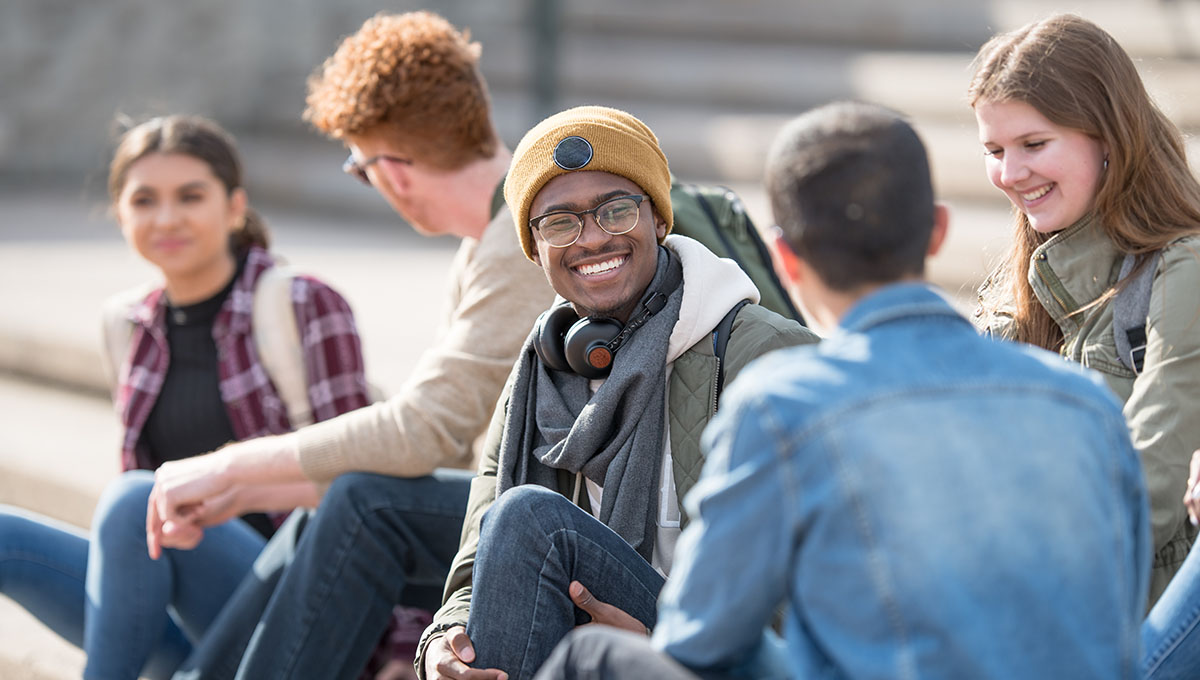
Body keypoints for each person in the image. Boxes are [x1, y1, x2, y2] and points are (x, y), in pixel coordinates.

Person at [534, 101, 1150, 679]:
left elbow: (702, 638)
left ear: (786, 260)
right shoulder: (1087, 403)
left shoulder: (784, 406)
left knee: (591, 653)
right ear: (936, 232)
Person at [146, 12, 556, 679]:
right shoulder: (493, 236)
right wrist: (260, 487)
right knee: (335, 510)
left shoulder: (517, 238)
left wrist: (229, 468)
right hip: (531, 507)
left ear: (391, 170)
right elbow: (449, 447)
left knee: (364, 503)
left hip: (570, 522)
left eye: (361, 167)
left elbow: (423, 432)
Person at [414, 105, 818, 680]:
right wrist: (442, 644)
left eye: (617, 210)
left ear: (658, 220)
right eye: (559, 223)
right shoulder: (538, 372)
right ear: (534, 249)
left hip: (727, 653)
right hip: (588, 649)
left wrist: (668, 641)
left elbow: (833, 576)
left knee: (532, 517)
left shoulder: (767, 354)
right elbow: (478, 560)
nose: (593, 238)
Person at [0, 114, 371, 679]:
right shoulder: (127, 325)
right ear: (120, 213)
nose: (166, 218)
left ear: (234, 206)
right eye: (144, 200)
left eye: (190, 196)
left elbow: (366, 483)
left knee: (134, 499)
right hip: (196, 614)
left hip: (301, 614)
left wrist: (397, 645)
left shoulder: (302, 304)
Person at [970, 12, 1200, 604]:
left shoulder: (1184, 268)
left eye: (1033, 144)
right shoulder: (1022, 288)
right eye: (994, 149)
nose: (1009, 174)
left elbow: (1147, 483)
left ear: (1108, 136)